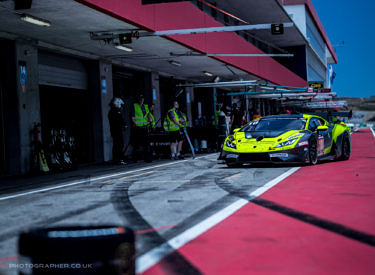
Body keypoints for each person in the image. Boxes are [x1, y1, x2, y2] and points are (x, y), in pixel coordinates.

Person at [131, 94, 152, 163]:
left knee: (146, 143)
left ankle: (147, 158)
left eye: (142, 98)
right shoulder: (135, 106)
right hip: (137, 127)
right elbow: (132, 116)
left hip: (144, 127)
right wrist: (135, 123)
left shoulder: (145, 106)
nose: (141, 100)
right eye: (140, 99)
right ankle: (135, 158)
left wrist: (150, 119)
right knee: (137, 144)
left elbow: (148, 114)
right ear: (138, 99)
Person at [108, 97, 126, 165]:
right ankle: (119, 159)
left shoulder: (114, 112)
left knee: (117, 144)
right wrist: (123, 124)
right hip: (116, 131)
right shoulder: (114, 112)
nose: (121, 106)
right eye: (120, 105)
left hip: (116, 130)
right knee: (119, 144)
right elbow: (119, 120)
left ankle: (117, 159)